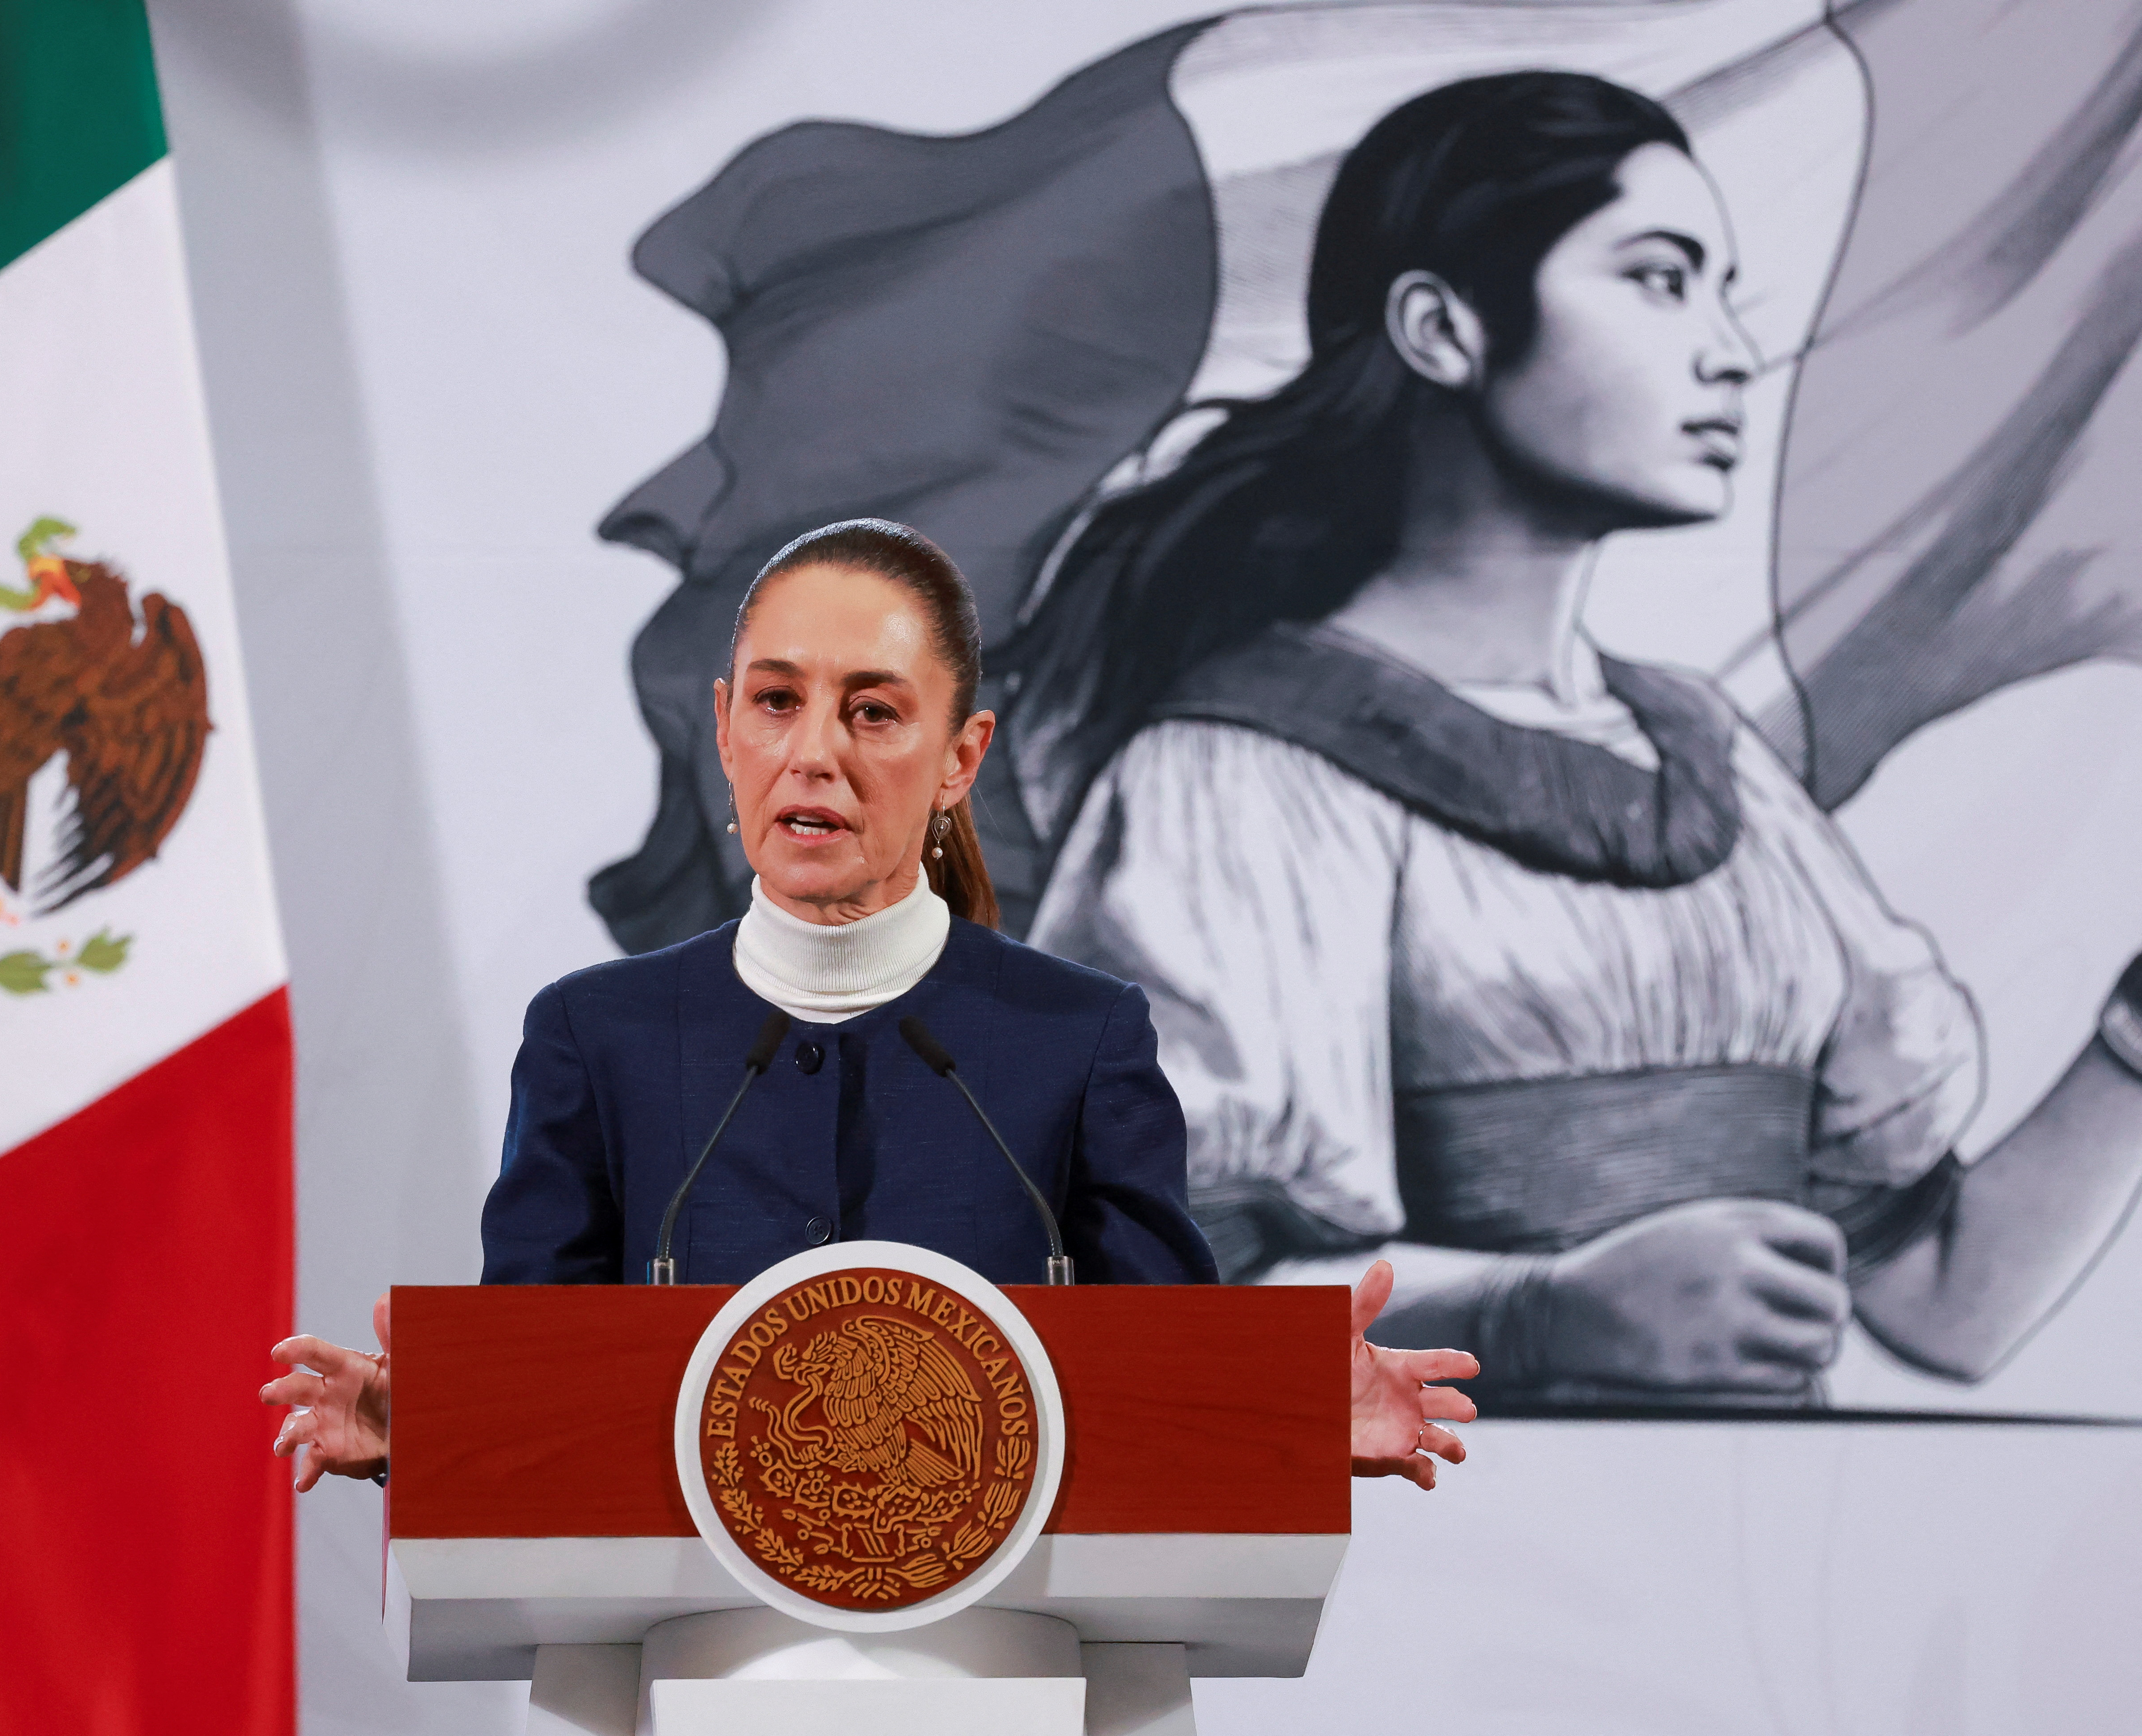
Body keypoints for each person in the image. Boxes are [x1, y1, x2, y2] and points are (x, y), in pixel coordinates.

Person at [1013, 71, 2142, 1407]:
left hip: (1751, 1577)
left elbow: (1944, 1303)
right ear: (1440, 328)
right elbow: (1133, 1333)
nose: (1728, 349)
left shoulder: (1706, 758)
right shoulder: (1235, 778)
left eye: (1724, 291)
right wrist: (1535, 1317)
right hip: (1432, 1575)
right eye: (1660, 281)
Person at [266, 520, 1480, 1482]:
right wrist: (425, 1422)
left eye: (875, 712)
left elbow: (1155, 1378)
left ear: (961, 758)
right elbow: (539, 1384)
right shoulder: (600, 1038)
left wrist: (1282, 1411)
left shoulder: (1077, 1039)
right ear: (725, 731)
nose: (814, 753)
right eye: (776, 701)